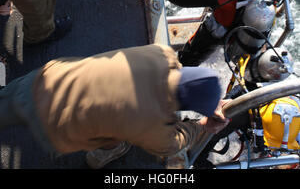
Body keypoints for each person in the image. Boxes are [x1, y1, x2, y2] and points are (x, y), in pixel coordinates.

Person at [0, 43, 229, 168]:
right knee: (115, 132)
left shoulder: (160, 53)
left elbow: (177, 69)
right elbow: (171, 144)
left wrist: (207, 94)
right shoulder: (151, 125)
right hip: (52, 125)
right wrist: (202, 125)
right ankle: (98, 157)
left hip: (46, 78)